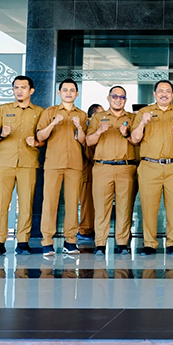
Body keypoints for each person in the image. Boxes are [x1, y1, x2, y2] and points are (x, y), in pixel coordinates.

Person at [130, 80, 173, 256]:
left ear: (172, 95)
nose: (164, 94)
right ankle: (150, 244)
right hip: (150, 166)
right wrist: (142, 123)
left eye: (168, 91)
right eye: (161, 91)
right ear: (155, 94)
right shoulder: (144, 112)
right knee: (149, 207)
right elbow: (135, 139)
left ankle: (172, 243)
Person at [0, 75, 45, 256]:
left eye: (23, 87)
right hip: (5, 163)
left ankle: (23, 241)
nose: (19, 91)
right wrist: (2, 134)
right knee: (2, 204)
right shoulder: (3, 110)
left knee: (26, 204)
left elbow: (43, 140)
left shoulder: (40, 112)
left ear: (31, 91)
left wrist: (36, 142)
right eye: (16, 87)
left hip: (28, 163)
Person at [36, 79, 88, 256]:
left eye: (72, 90)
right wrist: (53, 124)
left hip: (74, 164)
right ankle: (47, 241)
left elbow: (83, 140)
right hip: (53, 164)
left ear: (77, 94)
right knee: (50, 202)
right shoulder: (49, 112)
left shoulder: (81, 114)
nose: (68, 93)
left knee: (73, 203)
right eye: (65, 90)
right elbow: (40, 136)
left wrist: (79, 126)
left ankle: (70, 240)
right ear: (59, 93)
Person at [85, 86, 137, 255]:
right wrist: (100, 131)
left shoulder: (132, 118)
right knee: (101, 207)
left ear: (125, 100)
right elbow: (89, 141)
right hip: (102, 167)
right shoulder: (99, 118)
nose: (118, 99)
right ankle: (100, 243)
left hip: (126, 167)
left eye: (122, 97)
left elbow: (138, 141)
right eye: (115, 96)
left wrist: (127, 133)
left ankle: (122, 243)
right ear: (108, 98)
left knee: (125, 207)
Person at [77, 103, 105, 242]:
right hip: (87, 170)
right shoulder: (86, 130)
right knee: (87, 201)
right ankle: (85, 230)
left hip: (99, 171)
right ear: (91, 117)